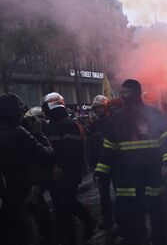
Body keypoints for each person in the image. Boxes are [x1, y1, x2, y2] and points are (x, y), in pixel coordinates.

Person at [94, 79, 167, 245]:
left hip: (152, 175)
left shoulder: (154, 115)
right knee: (129, 222)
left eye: (128, 92)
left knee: (157, 217)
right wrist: (100, 172)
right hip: (127, 179)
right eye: (122, 93)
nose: (125, 96)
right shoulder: (116, 120)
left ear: (137, 93)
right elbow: (108, 149)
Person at [0, 93, 54, 245]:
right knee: (27, 232)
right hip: (18, 196)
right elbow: (46, 154)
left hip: (5, 197)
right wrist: (38, 133)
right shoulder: (18, 133)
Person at [43, 92, 96, 245]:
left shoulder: (69, 124)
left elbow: (70, 149)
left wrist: (59, 166)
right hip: (56, 171)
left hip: (68, 171)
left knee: (65, 203)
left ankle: (86, 223)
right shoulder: (51, 125)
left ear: (49, 106)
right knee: (61, 204)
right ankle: (68, 234)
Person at [87, 95, 114, 230]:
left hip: (115, 163)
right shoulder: (93, 126)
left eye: (100, 107)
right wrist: (93, 165)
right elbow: (92, 146)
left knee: (121, 191)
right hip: (101, 164)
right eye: (96, 108)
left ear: (106, 107)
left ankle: (123, 219)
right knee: (103, 195)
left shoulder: (114, 121)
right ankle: (108, 220)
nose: (98, 110)